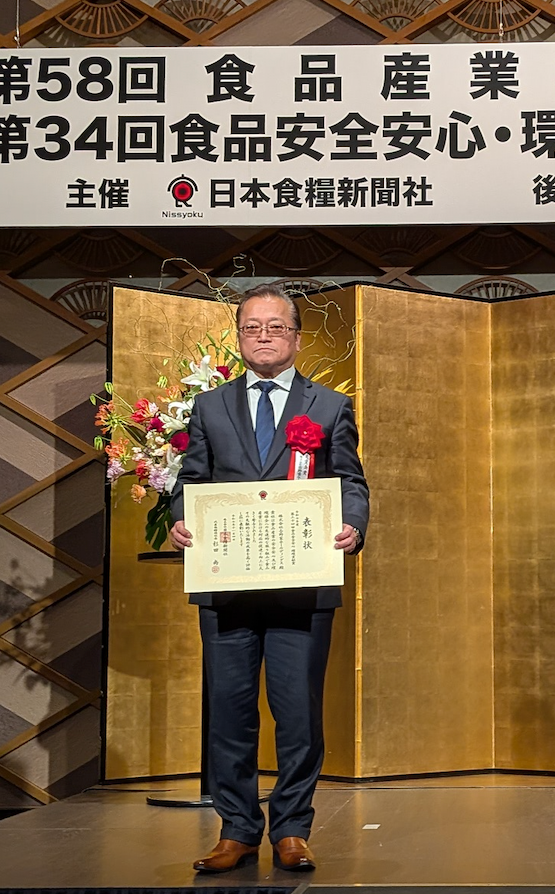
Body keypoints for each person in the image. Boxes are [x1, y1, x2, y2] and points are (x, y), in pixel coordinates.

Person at [169, 284, 369, 872]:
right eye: (252, 327)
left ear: (297, 338)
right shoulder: (209, 406)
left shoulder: (329, 405)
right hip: (228, 583)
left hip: (302, 584)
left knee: (298, 714)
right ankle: (236, 830)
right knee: (230, 713)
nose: (263, 336)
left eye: (275, 327)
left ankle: (292, 829)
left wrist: (353, 524)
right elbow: (191, 481)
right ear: (239, 336)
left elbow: (350, 481)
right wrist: (181, 519)